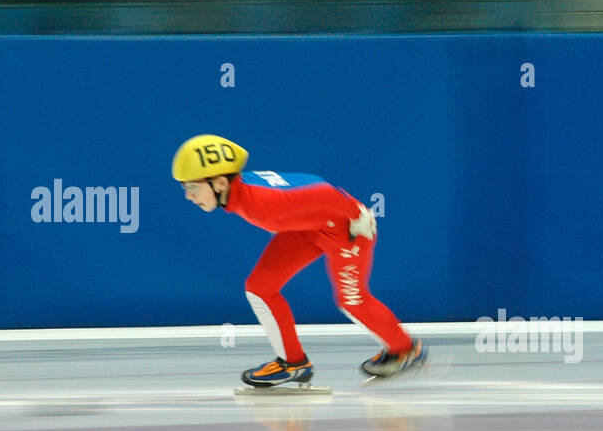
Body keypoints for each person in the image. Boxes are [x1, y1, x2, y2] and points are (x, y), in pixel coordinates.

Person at [171, 134, 425, 387]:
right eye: (184, 187)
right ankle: (293, 363)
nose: (188, 196)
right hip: (310, 228)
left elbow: (324, 192)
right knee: (260, 288)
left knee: (352, 301)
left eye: (192, 187)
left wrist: (355, 213)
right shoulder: (243, 191)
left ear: (220, 183)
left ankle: (404, 350)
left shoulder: (260, 203)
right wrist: (300, 218)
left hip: (349, 232)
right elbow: (308, 181)